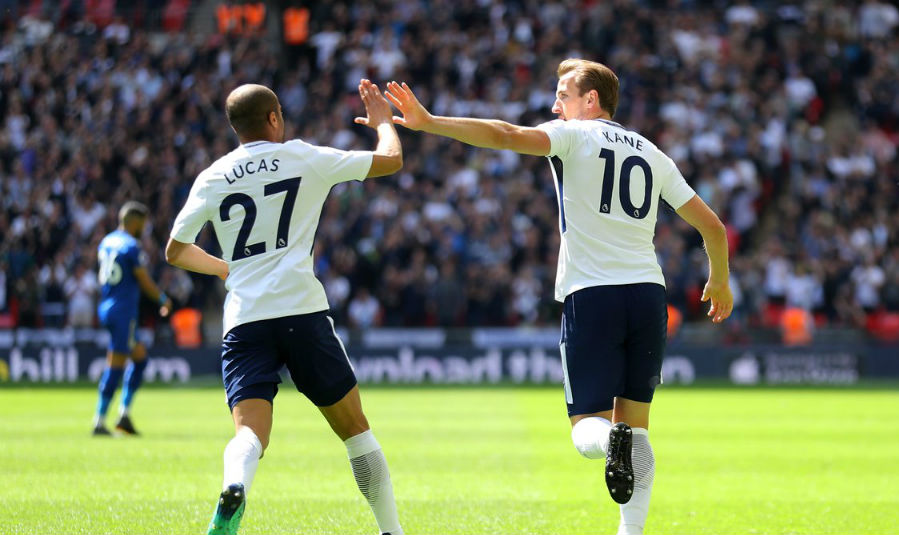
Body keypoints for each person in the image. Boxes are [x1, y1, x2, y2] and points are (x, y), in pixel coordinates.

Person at [385, 59, 733, 535]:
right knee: (638, 426)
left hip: (593, 295)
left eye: (563, 94)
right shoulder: (654, 154)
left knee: (587, 428)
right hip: (649, 296)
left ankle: (611, 439)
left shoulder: (575, 135)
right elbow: (712, 225)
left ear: (591, 100)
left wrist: (431, 122)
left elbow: (504, 134)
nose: (554, 104)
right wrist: (720, 281)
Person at [165, 81, 404, 535]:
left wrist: (226, 270)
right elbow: (392, 160)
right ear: (274, 117)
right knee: (355, 430)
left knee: (250, 434)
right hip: (301, 311)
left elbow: (175, 251)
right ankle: (391, 531)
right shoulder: (303, 156)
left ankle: (235, 483)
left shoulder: (213, 175)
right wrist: (385, 124)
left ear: (235, 126)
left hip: (245, 318)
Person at [93, 201, 171, 436]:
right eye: (143, 224)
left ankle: (124, 415)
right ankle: (99, 421)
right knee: (115, 365)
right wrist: (162, 299)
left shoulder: (106, 242)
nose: (144, 229)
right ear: (135, 222)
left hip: (107, 305)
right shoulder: (131, 246)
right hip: (123, 311)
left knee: (140, 359)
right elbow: (144, 280)